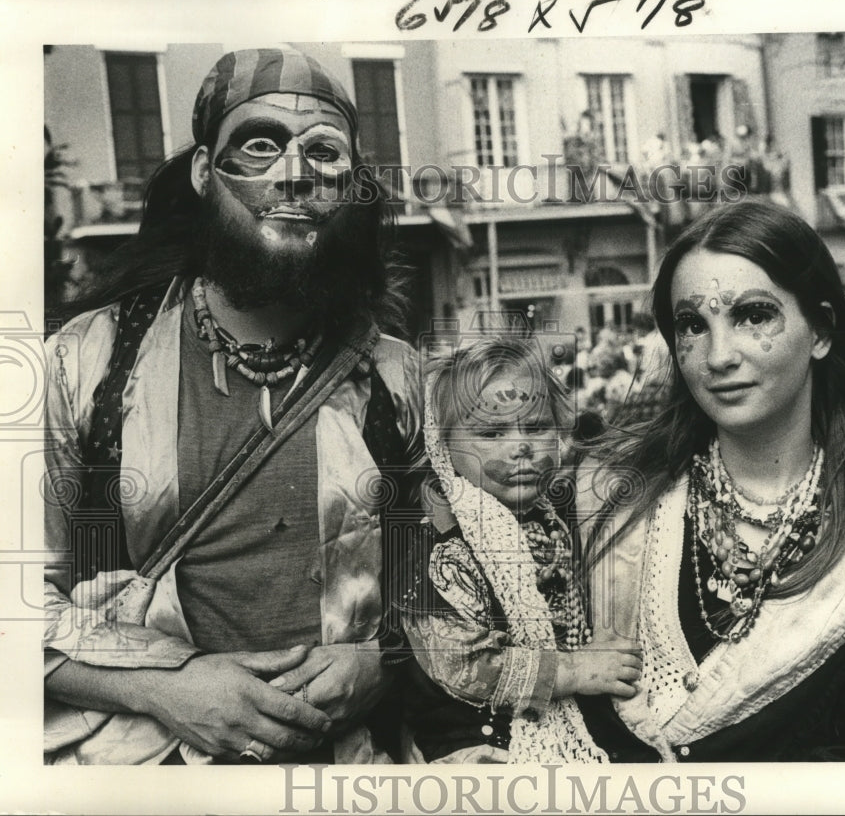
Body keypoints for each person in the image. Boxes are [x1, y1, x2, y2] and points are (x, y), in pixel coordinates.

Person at [43, 48, 424, 764]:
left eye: (324, 152)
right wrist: (164, 685)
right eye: (259, 144)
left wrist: (383, 661)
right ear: (202, 171)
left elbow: (449, 580)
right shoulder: (84, 363)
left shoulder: (393, 376)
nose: (294, 173)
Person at [578, 200, 845, 761]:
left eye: (753, 315)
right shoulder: (610, 495)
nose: (718, 355)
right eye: (692, 325)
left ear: (821, 331)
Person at [395, 336, 651, 763]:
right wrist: (572, 670)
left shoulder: (554, 516)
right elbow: (462, 666)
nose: (521, 447)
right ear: (443, 444)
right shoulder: (440, 549)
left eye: (535, 427)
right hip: (475, 743)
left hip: (570, 713)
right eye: (492, 432)